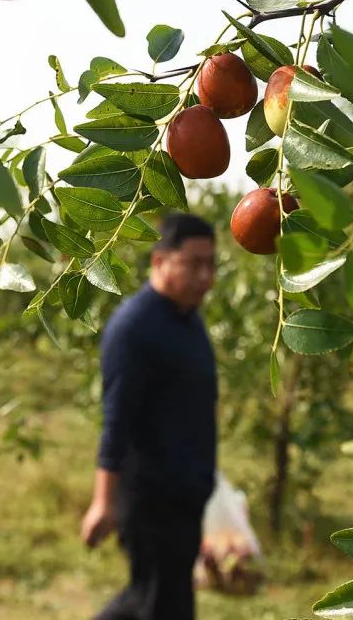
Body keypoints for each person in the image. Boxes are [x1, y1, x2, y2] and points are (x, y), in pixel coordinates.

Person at [81, 213, 218, 620]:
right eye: (194, 264)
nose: (205, 276)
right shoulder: (135, 327)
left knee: (155, 599)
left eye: (211, 264)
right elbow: (117, 419)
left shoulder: (187, 320)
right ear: (160, 261)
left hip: (187, 493)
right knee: (159, 602)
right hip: (153, 499)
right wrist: (103, 501)